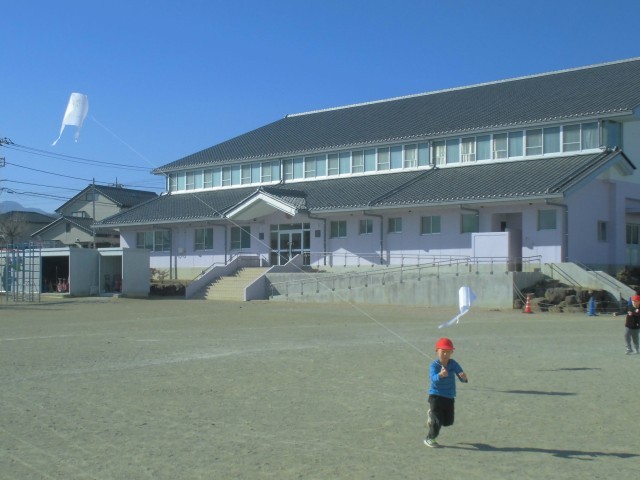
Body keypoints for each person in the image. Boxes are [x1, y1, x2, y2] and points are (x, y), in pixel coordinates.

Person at [424, 337, 468, 448]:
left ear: (452, 352)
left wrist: (464, 378)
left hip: (449, 396)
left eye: (448, 352)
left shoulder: (453, 363)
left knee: (448, 422)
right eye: (443, 351)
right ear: (437, 351)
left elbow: (461, 375)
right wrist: (440, 375)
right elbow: (433, 378)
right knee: (437, 422)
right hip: (436, 396)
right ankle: (429, 438)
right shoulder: (434, 365)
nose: (445, 354)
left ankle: (431, 414)